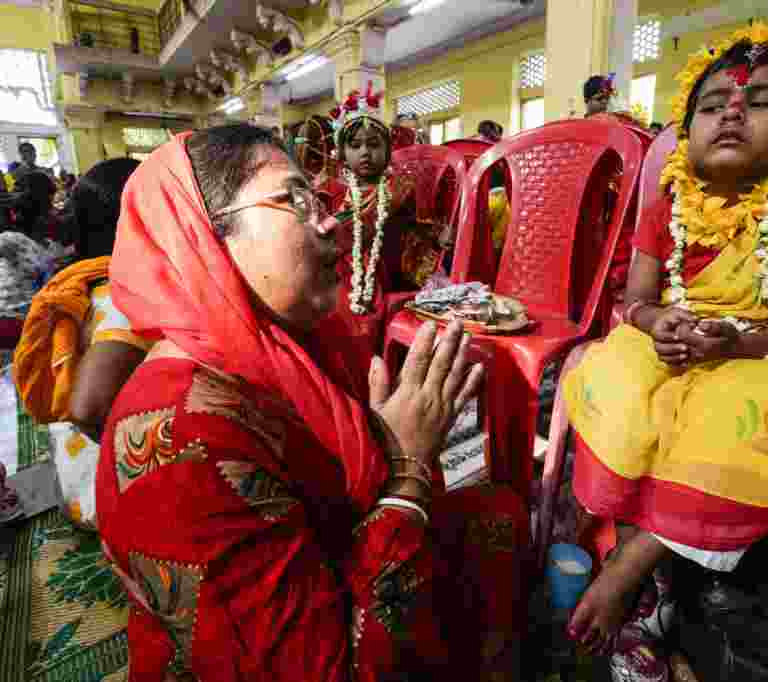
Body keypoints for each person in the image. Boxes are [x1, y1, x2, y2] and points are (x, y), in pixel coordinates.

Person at [94, 124, 528, 680]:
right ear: (201, 232)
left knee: (502, 516)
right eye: (291, 199)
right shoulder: (182, 444)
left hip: (331, 569)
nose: (329, 220)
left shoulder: (293, 349)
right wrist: (409, 467)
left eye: (317, 198)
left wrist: (387, 440)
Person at [560, 25, 768, 681]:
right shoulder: (668, 206)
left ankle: (634, 567)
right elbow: (637, 299)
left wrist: (745, 341)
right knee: (615, 383)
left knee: (731, 421)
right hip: (675, 340)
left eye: (761, 100)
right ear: (687, 132)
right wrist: (659, 325)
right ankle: (646, 579)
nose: (732, 112)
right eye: (711, 106)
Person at [13, 158, 146, 529]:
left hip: (76, 473)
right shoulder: (124, 295)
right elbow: (89, 407)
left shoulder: (89, 277)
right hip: (104, 494)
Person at [317, 89, 454, 362]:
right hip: (346, 273)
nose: (365, 153)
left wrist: (437, 235)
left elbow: (413, 229)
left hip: (388, 271)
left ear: (388, 150)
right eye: (355, 146)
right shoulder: (334, 192)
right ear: (342, 153)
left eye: (374, 145)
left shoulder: (399, 189)